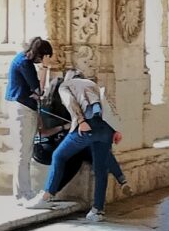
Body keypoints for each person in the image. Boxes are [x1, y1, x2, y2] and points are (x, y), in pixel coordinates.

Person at [27, 65, 124, 219]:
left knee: (64, 155)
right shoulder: (92, 88)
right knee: (100, 161)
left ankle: (47, 194)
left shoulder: (66, 88)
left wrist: (79, 122)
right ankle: (104, 201)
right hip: (87, 132)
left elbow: (74, 109)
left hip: (72, 135)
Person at [5, 37, 51, 200]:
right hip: (22, 110)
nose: (41, 62)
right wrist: (45, 68)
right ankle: (22, 194)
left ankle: (24, 191)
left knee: (24, 153)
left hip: (22, 108)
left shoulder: (22, 59)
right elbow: (39, 90)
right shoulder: (25, 64)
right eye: (43, 58)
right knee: (23, 154)